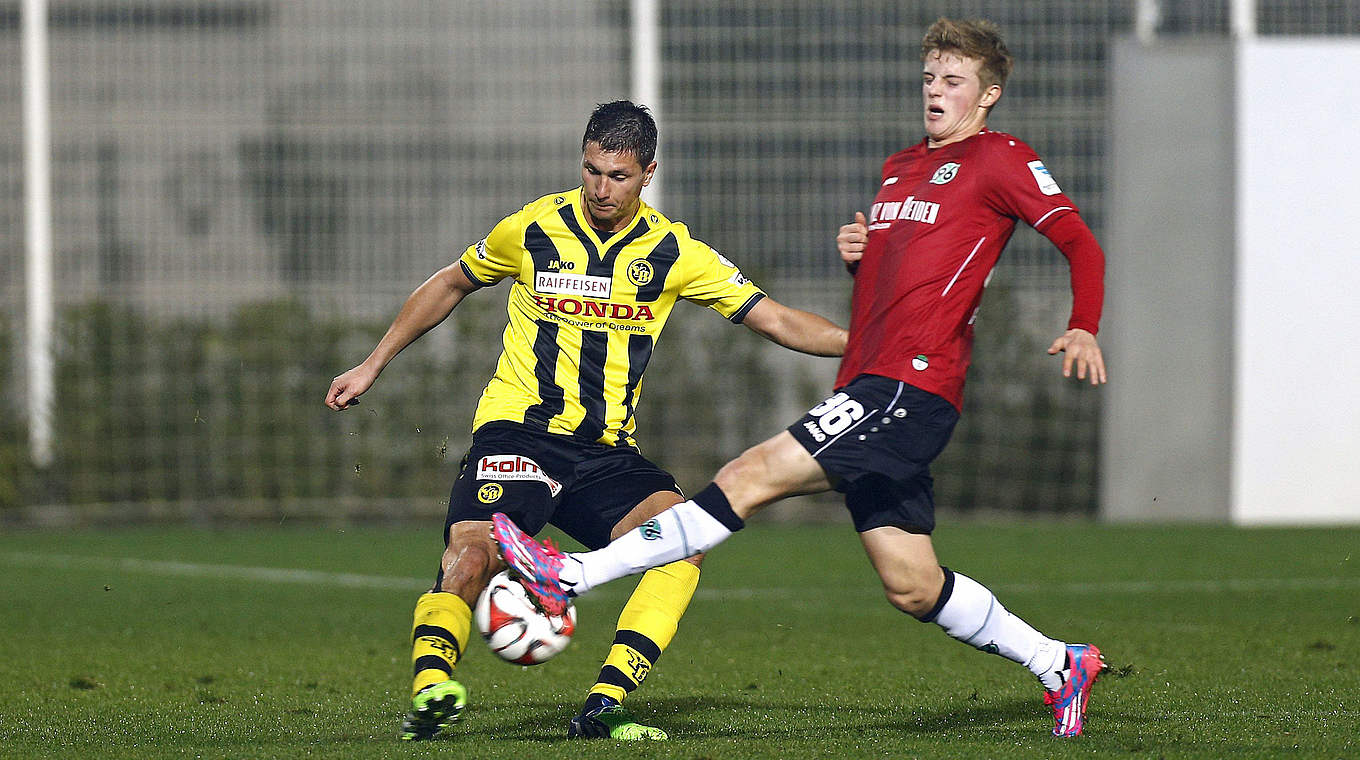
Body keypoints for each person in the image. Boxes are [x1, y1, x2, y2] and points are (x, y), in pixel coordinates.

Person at [492, 18, 1111, 739]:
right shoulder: (901, 168)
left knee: (748, 475)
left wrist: (1085, 323)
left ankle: (568, 577)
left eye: (953, 80)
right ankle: (1059, 663)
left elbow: (1078, 240)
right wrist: (860, 258)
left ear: (989, 94)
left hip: (909, 388)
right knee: (912, 584)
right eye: (929, 77)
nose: (935, 91)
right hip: (871, 384)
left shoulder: (1000, 158)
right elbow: (894, 286)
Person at [325, 100, 847, 742]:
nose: (602, 188)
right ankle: (434, 693)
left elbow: (776, 318)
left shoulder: (673, 251)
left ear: (647, 172)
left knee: (683, 544)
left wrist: (864, 345)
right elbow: (451, 283)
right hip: (520, 432)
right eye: (592, 170)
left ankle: (600, 709)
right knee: (473, 556)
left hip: (605, 453)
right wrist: (374, 363)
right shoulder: (535, 227)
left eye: (618, 176)